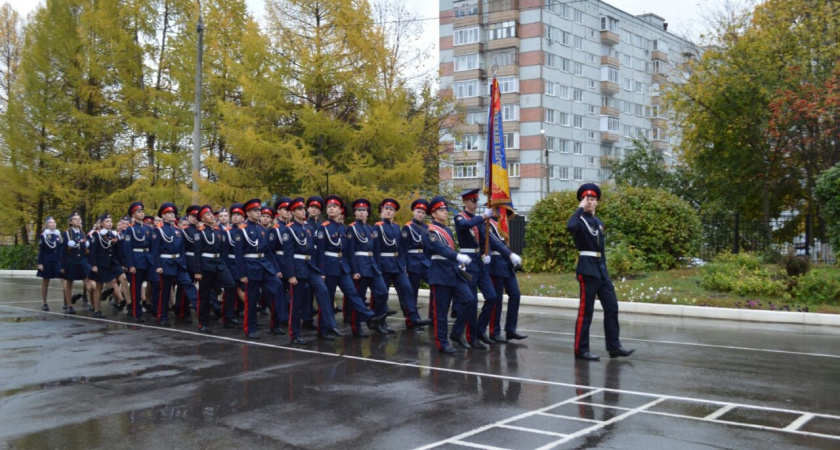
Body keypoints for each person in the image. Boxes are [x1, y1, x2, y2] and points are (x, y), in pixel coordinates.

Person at [567, 183, 635, 361]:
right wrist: (579, 209)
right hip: (587, 269)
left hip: (600, 270)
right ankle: (581, 350)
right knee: (586, 311)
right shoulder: (579, 220)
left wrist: (604, 269)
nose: (589, 201)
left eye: (592, 199)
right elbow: (570, 227)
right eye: (586, 199)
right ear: (582, 201)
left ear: (597, 202)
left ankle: (614, 347)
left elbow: (601, 249)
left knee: (612, 307)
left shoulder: (599, 223)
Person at [317, 195, 387, 337]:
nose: (331, 209)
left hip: (343, 267)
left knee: (353, 294)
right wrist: (322, 271)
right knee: (327, 299)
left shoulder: (342, 228)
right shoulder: (323, 228)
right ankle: (323, 329)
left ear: (340, 210)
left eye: (334, 207)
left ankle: (369, 317)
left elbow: (347, 251)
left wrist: (351, 269)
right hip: (329, 267)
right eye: (329, 207)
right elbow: (319, 252)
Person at [423, 196, 476, 354]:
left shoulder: (446, 230)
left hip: (453, 272)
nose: (445, 212)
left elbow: (450, 250)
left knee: (469, 300)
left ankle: (456, 333)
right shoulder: (430, 231)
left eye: (445, 209)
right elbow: (440, 249)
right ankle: (442, 343)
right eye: (441, 210)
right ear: (433, 214)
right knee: (441, 312)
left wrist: (458, 261)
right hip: (440, 274)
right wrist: (458, 256)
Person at [453, 188, 501, 349]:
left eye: (476, 200)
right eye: (473, 201)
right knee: (472, 302)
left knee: (492, 296)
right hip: (468, 263)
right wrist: (484, 216)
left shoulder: (479, 220)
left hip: (479, 263)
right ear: (465, 202)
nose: (475, 203)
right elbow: (466, 225)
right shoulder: (460, 217)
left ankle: (480, 330)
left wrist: (487, 253)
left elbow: (485, 240)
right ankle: (471, 337)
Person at [374, 198, 431, 331]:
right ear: (382, 211)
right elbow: (376, 250)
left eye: (391, 210)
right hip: (384, 264)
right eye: (386, 209)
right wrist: (376, 268)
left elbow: (400, 249)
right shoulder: (378, 227)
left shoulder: (396, 226)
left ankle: (414, 318)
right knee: (382, 294)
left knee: (407, 289)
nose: (388, 211)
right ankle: (380, 322)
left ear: (394, 213)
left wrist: (403, 265)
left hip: (397, 264)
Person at [234, 199, 283, 339]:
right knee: (252, 298)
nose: (258, 213)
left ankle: (277, 323)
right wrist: (241, 274)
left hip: (264, 264)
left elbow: (269, 251)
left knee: (277, 286)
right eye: (255, 211)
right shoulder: (241, 230)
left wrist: (276, 269)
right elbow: (238, 254)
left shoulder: (262, 229)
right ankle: (250, 328)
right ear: (248, 213)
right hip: (250, 265)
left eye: (259, 210)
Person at [345, 198, 393, 336]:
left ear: (368, 213)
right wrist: (354, 270)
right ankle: (356, 326)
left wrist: (377, 266)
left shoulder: (370, 228)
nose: (361, 213)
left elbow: (375, 250)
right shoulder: (352, 228)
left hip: (372, 265)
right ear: (355, 213)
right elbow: (350, 252)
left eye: (364, 211)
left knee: (383, 292)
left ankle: (377, 320)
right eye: (359, 211)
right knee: (359, 297)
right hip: (360, 266)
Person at [150, 203, 196, 327]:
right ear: (163, 215)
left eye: (173, 213)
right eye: (169, 213)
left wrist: (183, 263)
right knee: (165, 291)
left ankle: (196, 309)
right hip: (165, 263)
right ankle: (162, 315)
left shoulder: (178, 230)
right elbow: (155, 250)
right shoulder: (158, 230)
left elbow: (181, 249)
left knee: (188, 284)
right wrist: (158, 265)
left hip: (178, 263)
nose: (172, 215)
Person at [193, 205, 235, 334]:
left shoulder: (219, 232)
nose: (211, 215)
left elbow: (223, 251)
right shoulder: (199, 232)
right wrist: (198, 271)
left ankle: (227, 316)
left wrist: (224, 264)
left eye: (211, 213)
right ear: (202, 218)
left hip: (219, 264)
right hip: (206, 265)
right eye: (207, 214)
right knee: (204, 295)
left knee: (231, 286)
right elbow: (197, 253)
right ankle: (203, 322)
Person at [486, 207, 527, 342]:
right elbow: (494, 243)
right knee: (497, 300)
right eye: (500, 209)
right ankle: (494, 331)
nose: (503, 212)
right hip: (496, 264)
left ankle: (510, 329)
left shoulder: (502, 223)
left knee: (515, 295)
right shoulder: (488, 223)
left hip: (506, 264)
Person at [123, 202, 154, 322]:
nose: (142, 213)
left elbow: (151, 246)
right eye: (138, 212)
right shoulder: (130, 229)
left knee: (155, 282)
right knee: (136, 287)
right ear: (133, 214)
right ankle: (137, 312)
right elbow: (128, 248)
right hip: (137, 260)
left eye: (142, 211)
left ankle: (152, 306)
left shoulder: (147, 228)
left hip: (148, 259)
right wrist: (130, 264)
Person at [89, 213, 124, 318]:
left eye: (111, 221)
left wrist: (121, 264)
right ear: (102, 223)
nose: (110, 223)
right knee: (99, 287)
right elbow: (93, 251)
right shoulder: (97, 235)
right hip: (101, 263)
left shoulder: (113, 235)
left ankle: (123, 300)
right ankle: (97, 310)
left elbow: (117, 251)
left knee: (123, 278)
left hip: (112, 263)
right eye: (107, 222)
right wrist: (94, 265)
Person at [400, 199, 431, 318]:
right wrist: (404, 266)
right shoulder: (408, 227)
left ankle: (432, 316)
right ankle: (411, 319)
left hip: (424, 261)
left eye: (423, 213)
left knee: (435, 284)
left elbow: (428, 247)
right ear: (413, 211)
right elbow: (403, 249)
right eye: (418, 211)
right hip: (412, 262)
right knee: (413, 292)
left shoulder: (426, 227)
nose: (420, 214)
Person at [59, 212, 91, 315]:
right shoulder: (67, 233)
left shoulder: (82, 233)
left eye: (79, 219)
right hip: (71, 261)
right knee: (69, 284)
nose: (78, 220)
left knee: (88, 281)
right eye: (75, 219)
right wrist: (63, 266)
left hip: (82, 261)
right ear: (71, 222)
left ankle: (93, 303)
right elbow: (63, 251)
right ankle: (69, 305)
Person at [36, 217, 62, 311]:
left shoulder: (58, 235)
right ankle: (44, 302)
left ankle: (67, 302)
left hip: (57, 261)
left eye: (54, 222)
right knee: (45, 282)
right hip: (47, 261)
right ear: (46, 225)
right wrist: (40, 263)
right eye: (50, 223)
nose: (53, 224)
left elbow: (60, 249)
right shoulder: (43, 236)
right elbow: (41, 251)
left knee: (64, 281)